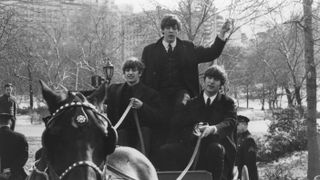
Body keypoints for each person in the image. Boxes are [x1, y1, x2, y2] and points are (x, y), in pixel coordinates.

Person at [141, 14, 232, 158]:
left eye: (174, 28)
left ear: (178, 31)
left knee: (182, 105)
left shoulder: (188, 48)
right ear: (162, 30)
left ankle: (175, 146)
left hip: (182, 93)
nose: (171, 31)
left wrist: (221, 35)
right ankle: (158, 157)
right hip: (158, 94)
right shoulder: (150, 50)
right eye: (168, 28)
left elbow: (211, 52)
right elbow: (143, 77)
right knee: (157, 118)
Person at [158, 65, 237, 180]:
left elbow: (230, 121)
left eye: (216, 79)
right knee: (166, 150)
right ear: (204, 80)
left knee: (215, 149)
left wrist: (214, 129)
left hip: (218, 147)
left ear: (221, 84)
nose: (211, 81)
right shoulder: (192, 103)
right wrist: (193, 130)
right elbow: (182, 125)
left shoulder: (228, 103)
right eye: (209, 78)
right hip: (193, 147)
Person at [105, 57, 162, 157]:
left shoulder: (151, 94)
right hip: (121, 134)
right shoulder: (113, 89)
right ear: (124, 74)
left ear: (140, 73)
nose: (130, 73)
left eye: (133, 70)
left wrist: (142, 106)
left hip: (141, 135)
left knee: (145, 132)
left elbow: (158, 117)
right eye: (127, 70)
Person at [0, 113, 28, 180]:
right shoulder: (20, 137)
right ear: (10, 122)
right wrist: (10, 170)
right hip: (15, 175)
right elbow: (24, 157)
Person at [235, 115, 259, 180]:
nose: (236, 127)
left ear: (243, 125)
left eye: (237, 125)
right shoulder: (239, 137)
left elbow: (250, 164)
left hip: (247, 175)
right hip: (240, 174)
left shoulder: (249, 140)